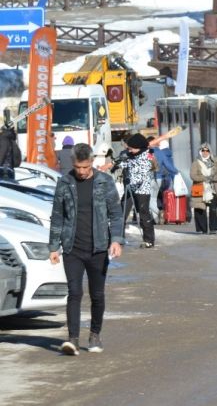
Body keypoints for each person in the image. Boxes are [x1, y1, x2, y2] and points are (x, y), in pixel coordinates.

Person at [48, 143, 124, 356]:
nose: (81, 171)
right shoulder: (64, 183)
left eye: (85, 167)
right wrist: (54, 246)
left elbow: (116, 214)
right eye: (77, 167)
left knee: (97, 294)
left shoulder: (104, 182)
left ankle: (94, 334)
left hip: (98, 248)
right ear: (73, 164)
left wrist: (116, 240)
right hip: (72, 247)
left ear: (92, 162)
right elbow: (57, 216)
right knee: (74, 292)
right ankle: (72, 339)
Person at [122, 133, 155, 248]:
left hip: (142, 191)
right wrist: (117, 164)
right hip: (130, 188)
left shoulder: (146, 158)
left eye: (131, 148)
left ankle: (149, 239)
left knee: (143, 214)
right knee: (122, 212)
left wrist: (129, 180)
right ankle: (119, 238)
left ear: (139, 147)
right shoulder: (134, 156)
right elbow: (127, 163)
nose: (129, 150)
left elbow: (141, 177)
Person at [191, 142, 217, 234]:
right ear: (200, 151)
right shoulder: (196, 162)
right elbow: (193, 175)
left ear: (210, 151)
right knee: (200, 209)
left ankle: (213, 228)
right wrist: (203, 178)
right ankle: (202, 229)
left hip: (212, 188)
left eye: (207, 150)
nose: (205, 152)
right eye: (203, 150)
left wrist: (213, 178)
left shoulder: (215, 162)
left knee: (213, 209)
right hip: (200, 189)